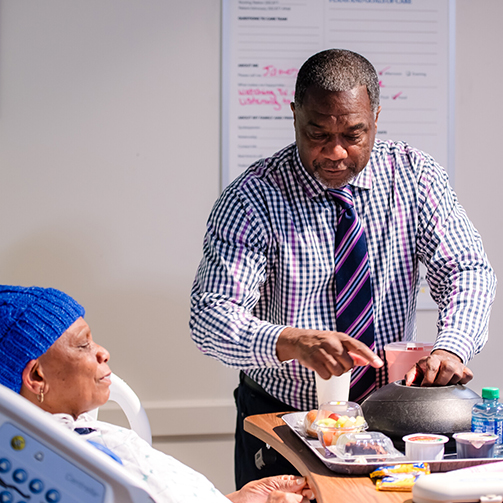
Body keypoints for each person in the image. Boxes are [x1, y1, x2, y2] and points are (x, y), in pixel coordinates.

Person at [189, 48, 497, 487]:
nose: (335, 152)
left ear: (376, 115)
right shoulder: (253, 199)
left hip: (388, 417)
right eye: (317, 133)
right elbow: (211, 316)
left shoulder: (414, 176)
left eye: (354, 134)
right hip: (283, 419)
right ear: (294, 114)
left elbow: (466, 269)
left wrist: (452, 346)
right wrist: (290, 341)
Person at [0, 285, 314, 503]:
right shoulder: (71, 469)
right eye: (84, 345)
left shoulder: (88, 436)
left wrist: (236, 499)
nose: (103, 353)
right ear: (37, 377)